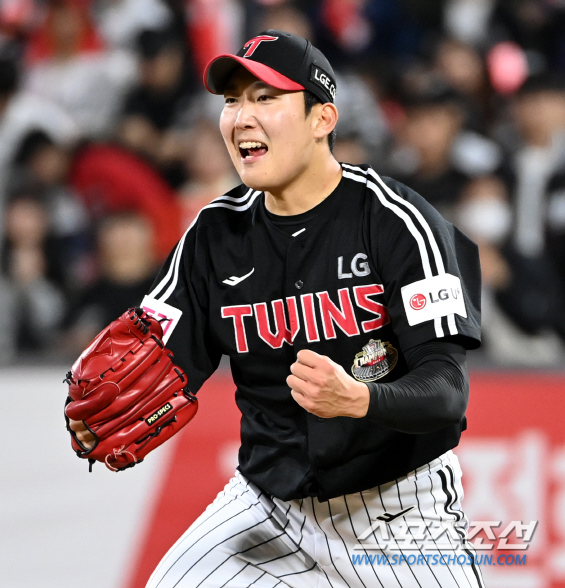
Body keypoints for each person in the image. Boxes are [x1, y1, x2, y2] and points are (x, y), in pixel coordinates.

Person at [70, 29, 484, 587]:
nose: (242, 117)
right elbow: (154, 355)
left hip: (398, 510)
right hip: (269, 509)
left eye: (265, 98)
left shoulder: (396, 223)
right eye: (233, 100)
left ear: (322, 119)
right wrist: (99, 410)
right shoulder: (214, 236)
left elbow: (446, 391)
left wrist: (362, 398)